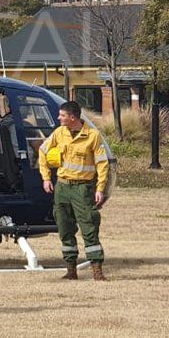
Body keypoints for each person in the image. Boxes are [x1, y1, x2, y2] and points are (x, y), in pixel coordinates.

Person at [38, 100, 111, 281]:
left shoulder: (93, 136)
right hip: (62, 187)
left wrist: (100, 188)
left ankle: (97, 270)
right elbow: (42, 151)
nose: (58, 118)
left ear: (73, 117)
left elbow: (102, 164)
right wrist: (46, 178)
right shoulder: (59, 133)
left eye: (62, 115)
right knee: (64, 228)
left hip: (83, 189)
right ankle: (71, 269)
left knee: (89, 227)